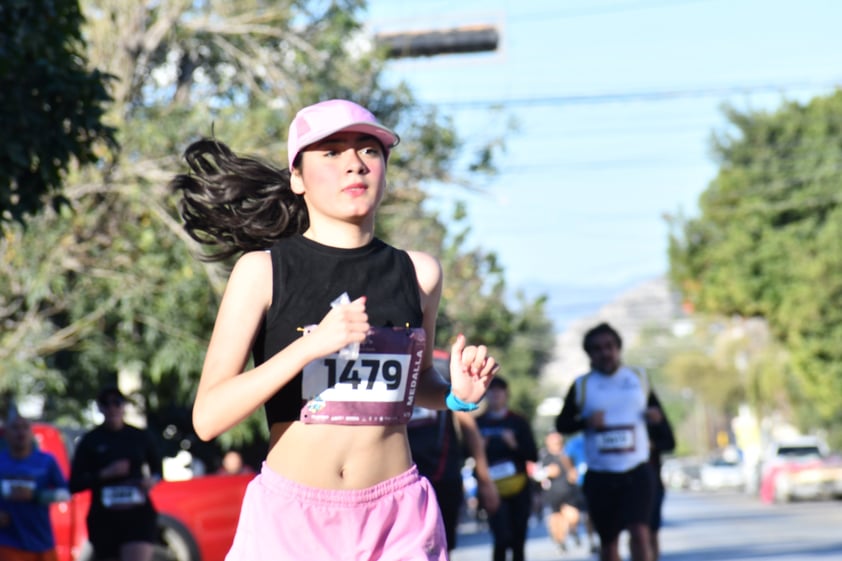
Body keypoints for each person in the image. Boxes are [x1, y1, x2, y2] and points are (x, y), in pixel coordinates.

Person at [169, 98, 500, 560]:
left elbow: (418, 386)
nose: (354, 164)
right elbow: (208, 418)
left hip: (397, 520)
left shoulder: (419, 273)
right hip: (291, 521)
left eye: (369, 150)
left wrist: (456, 395)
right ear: (298, 178)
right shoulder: (262, 272)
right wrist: (310, 348)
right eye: (331, 152)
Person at [555, 322, 666, 561]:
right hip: (601, 473)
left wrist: (655, 419)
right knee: (609, 542)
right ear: (589, 354)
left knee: (640, 533)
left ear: (618, 349)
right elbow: (561, 424)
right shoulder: (582, 385)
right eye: (597, 348)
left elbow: (660, 418)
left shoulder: (638, 378)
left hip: (637, 469)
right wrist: (585, 423)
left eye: (609, 346)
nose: (604, 352)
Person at [69, 386, 163, 561]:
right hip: (105, 519)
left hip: (137, 515)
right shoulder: (90, 441)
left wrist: (150, 481)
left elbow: (158, 471)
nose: (112, 408)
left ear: (123, 406)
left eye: (116, 403)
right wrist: (105, 474)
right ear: (100, 408)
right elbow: (75, 483)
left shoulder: (139, 436)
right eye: (106, 404)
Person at [407, 405, 500, 553]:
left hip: (443, 478)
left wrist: (485, 480)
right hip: (402, 481)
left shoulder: (442, 383)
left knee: (440, 549)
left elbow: (468, 425)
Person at [476, 376, 538, 561]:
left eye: (499, 391)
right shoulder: (478, 424)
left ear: (506, 394)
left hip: (519, 487)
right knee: (501, 539)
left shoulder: (518, 421)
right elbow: (466, 454)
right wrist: (479, 447)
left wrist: (514, 445)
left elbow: (532, 455)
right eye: (491, 391)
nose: (495, 395)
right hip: (493, 489)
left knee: (518, 541)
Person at [0, 411, 69, 561]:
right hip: (8, 543)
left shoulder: (46, 461)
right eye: (15, 428)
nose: (21, 432)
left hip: (41, 541)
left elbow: (65, 493)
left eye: (25, 427)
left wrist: (36, 495)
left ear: (31, 433)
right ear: (6, 434)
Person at [534, 432, 582, 552]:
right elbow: (535, 474)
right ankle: (560, 542)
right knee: (556, 520)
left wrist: (574, 474)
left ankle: (573, 531)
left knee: (573, 516)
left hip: (569, 492)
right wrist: (547, 472)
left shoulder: (567, 454)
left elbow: (576, 469)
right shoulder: (543, 456)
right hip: (552, 493)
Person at [647, 392, 676, 561]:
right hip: (621, 481)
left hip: (652, 480)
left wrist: (653, 444)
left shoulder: (651, 411)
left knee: (650, 532)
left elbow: (670, 443)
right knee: (636, 531)